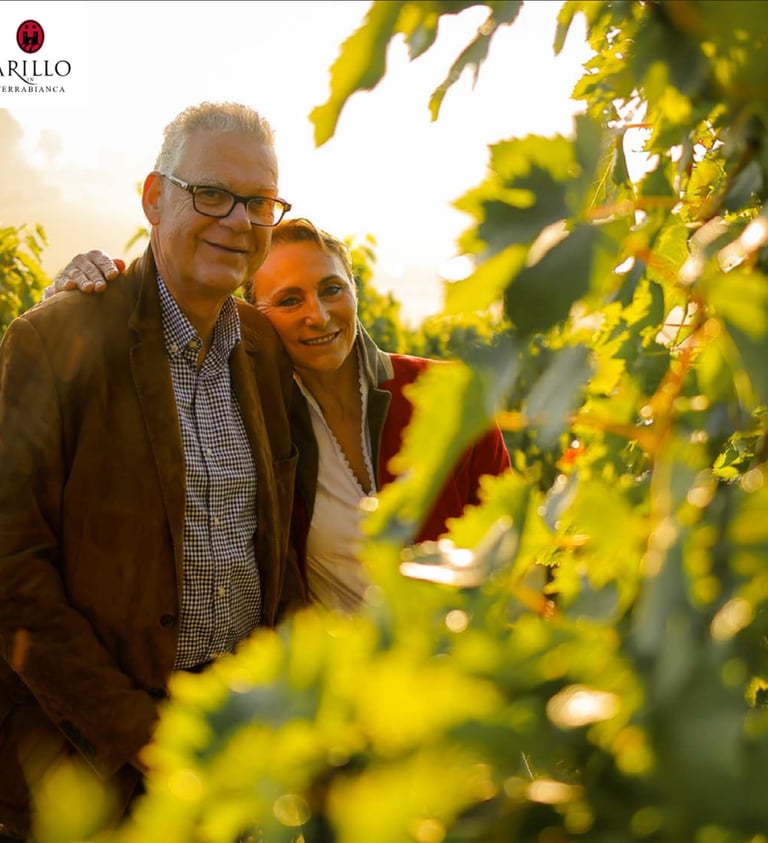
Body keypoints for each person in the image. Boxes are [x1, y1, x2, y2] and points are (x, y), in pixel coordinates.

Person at [0, 102, 308, 843]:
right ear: (152, 197)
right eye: (211, 193)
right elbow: (12, 572)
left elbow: (276, 544)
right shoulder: (55, 338)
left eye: (260, 201)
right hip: (90, 761)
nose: (239, 219)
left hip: (233, 748)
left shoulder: (265, 350)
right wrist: (146, 736)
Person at [47, 218, 512, 615]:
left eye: (332, 289)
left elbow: (513, 547)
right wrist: (80, 290)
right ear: (252, 317)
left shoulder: (451, 396)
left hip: (468, 683)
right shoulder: (251, 424)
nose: (319, 314)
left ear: (354, 291)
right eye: (289, 300)